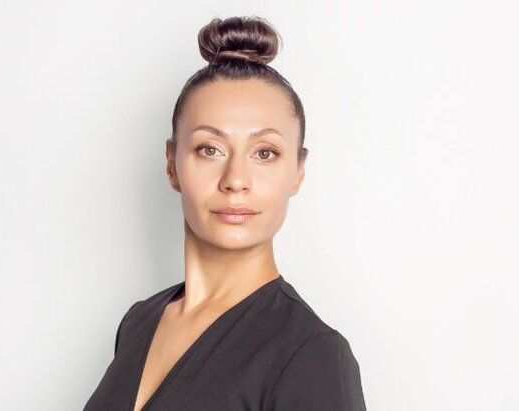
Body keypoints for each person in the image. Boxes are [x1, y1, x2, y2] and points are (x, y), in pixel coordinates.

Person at [83, 15, 366, 411]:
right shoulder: (138, 322)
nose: (235, 180)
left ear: (298, 172)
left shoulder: (312, 354)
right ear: (172, 164)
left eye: (264, 153)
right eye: (210, 149)